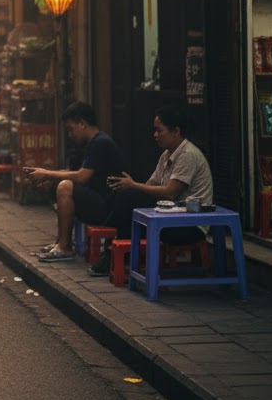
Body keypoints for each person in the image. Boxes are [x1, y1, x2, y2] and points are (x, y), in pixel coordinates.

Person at [90, 104, 213, 276]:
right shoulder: (167, 155)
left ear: (175, 131)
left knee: (127, 197)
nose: (155, 135)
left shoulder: (188, 154)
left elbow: (170, 192)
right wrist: (129, 187)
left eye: (159, 130)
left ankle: (112, 245)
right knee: (122, 194)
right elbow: (149, 185)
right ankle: (113, 245)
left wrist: (133, 186)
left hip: (188, 226)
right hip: (169, 216)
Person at [23, 101, 125, 263]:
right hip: (99, 200)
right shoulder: (94, 143)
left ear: (82, 123)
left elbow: (81, 177)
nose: (70, 135)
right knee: (60, 184)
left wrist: (47, 173)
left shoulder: (101, 143)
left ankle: (65, 246)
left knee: (65, 187)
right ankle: (60, 243)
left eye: (71, 129)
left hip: (109, 208)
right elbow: (79, 175)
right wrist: (49, 177)